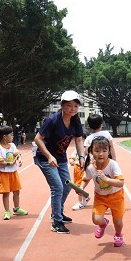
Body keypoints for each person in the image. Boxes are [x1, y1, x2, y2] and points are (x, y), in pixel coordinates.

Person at [33, 90, 86, 234]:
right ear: (62, 105)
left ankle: (58, 213)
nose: (72, 109)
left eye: (75, 106)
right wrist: (49, 156)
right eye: (69, 105)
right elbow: (38, 139)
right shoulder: (52, 120)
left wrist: (82, 157)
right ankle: (56, 222)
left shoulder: (75, 120)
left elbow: (79, 139)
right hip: (45, 158)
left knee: (67, 186)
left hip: (61, 157)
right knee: (57, 187)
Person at [83, 136, 126, 247]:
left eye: (104, 151)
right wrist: (81, 188)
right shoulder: (90, 168)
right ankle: (103, 224)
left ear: (109, 152)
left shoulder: (113, 164)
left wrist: (106, 179)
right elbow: (86, 179)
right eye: (97, 151)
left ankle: (118, 234)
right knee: (96, 219)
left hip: (116, 196)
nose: (101, 154)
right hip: (100, 197)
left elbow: (121, 182)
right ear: (91, 152)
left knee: (118, 222)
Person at [0, 125, 28, 220]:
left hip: (13, 173)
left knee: (16, 191)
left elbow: (17, 154)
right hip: (4, 174)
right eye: (11, 135)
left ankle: (17, 208)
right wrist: (10, 163)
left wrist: (20, 159)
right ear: (5, 137)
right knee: (6, 193)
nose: (13, 136)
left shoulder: (12, 146)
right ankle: (7, 211)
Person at [70, 133, 90, 211]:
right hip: (76, 171)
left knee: (79, 188)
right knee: (77, 187)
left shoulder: (88, 151)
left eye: (82, 140)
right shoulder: (76, 150)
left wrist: (78, 163)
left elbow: (88, 161)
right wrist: (72, 161)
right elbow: (71, 159)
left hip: (84, 172)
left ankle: (80, 203)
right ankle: (86, 197)